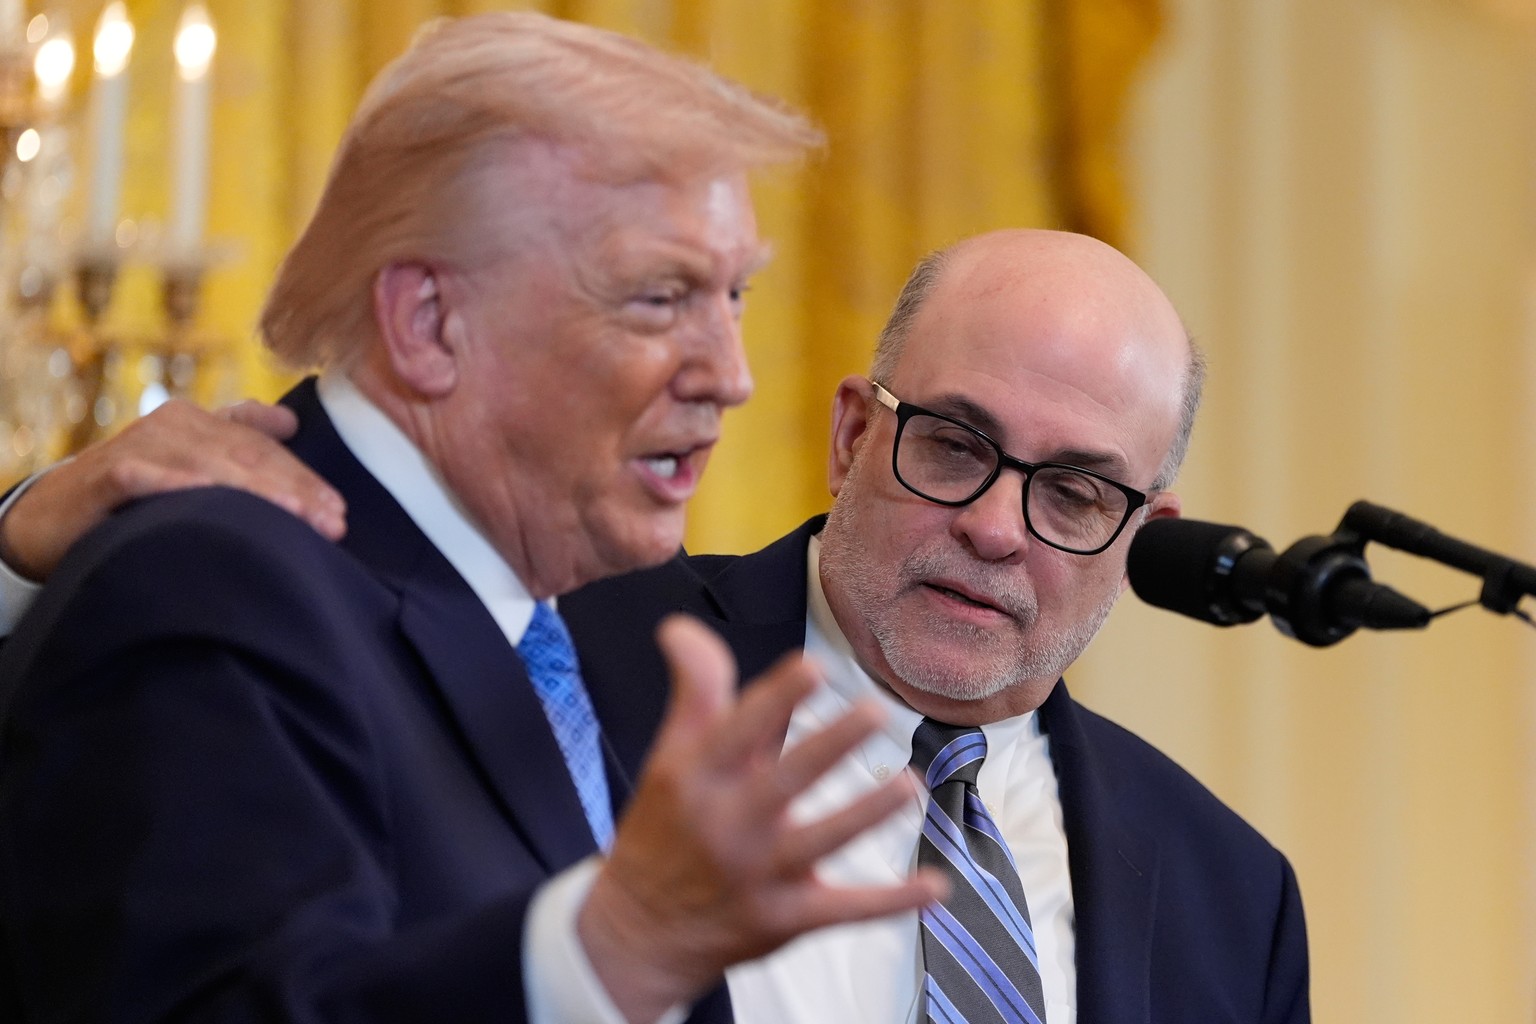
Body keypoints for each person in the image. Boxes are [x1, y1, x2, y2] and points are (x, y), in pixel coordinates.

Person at [0, 227, 1312, 1021]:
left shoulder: (1229, 896)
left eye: (1076, 490)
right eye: (955, 446)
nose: (996, 527)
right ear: (853, 432)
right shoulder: (536, 645)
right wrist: (26, 550)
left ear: (1142, 529)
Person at [0, 13, 944, 1024]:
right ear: (428, 323)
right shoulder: (214, 585)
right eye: (661, 297)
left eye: (736, 294)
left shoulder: (545, 620)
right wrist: (605, 951)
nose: (733, 375)